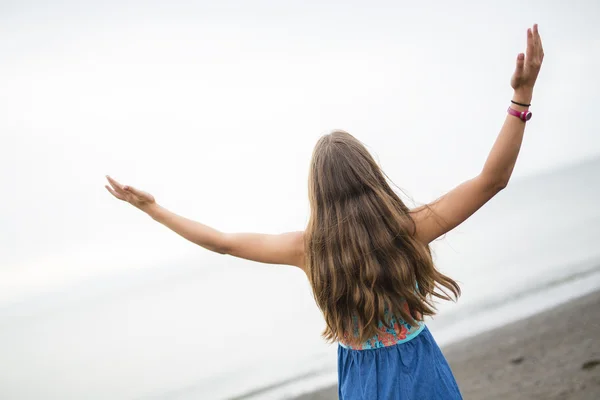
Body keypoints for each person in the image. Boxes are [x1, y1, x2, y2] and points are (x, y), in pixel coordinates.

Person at [105, 23, 544, 400]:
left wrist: (154, 209)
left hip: (358, 379)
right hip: (420, 369)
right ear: (370, 177)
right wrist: (521, 96)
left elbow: (222, 243)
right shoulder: (408, 230)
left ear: (317, 192)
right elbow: (492, 180)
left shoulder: (307, 250)